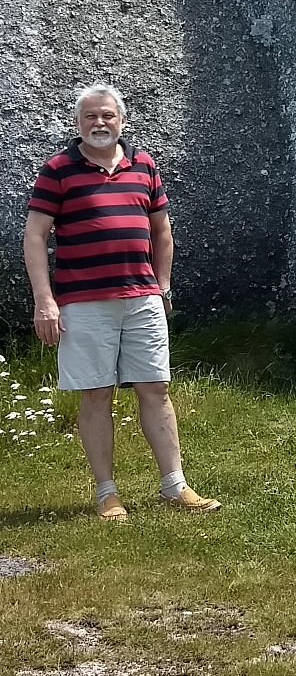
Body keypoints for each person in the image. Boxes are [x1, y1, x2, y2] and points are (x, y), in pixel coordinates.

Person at [23, 83, 220, 521]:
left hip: (142, 298)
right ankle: (107, 494)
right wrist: (45, 302)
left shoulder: (144, 165)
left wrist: (162, 286)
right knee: (96, 396)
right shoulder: (58, 170)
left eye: (107, 116)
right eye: (90, 116)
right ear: (78, 124)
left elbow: (162, 231)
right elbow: (35, 236)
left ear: (122, 121)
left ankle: (175, 486)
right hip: (83, 302)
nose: (99, 123)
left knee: (157, 390)